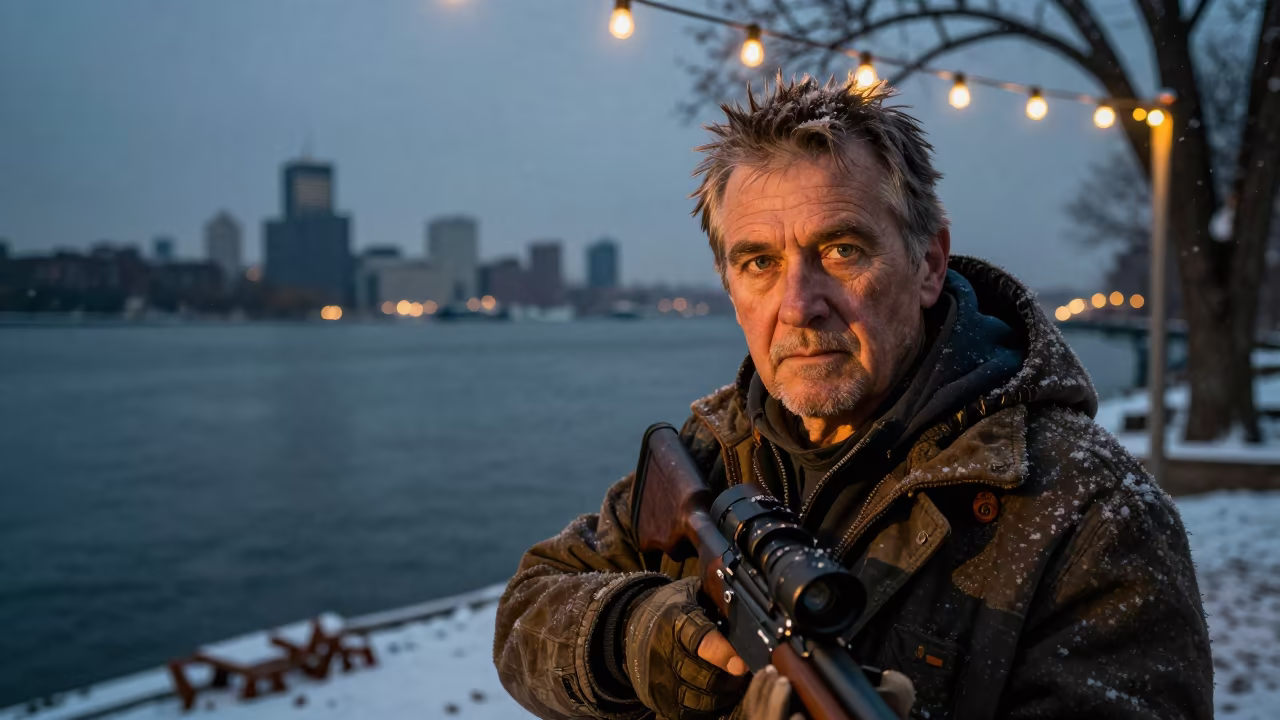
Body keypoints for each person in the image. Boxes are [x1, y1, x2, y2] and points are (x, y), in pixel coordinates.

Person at [493, 75, 1213, 720]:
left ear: (928, 264)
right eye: (760, 263)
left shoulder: (1086, 510)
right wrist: (636, 634)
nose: (799, 305)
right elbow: (526, 612)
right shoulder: (713, 448)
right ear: (729, 285)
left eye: (842, 250)